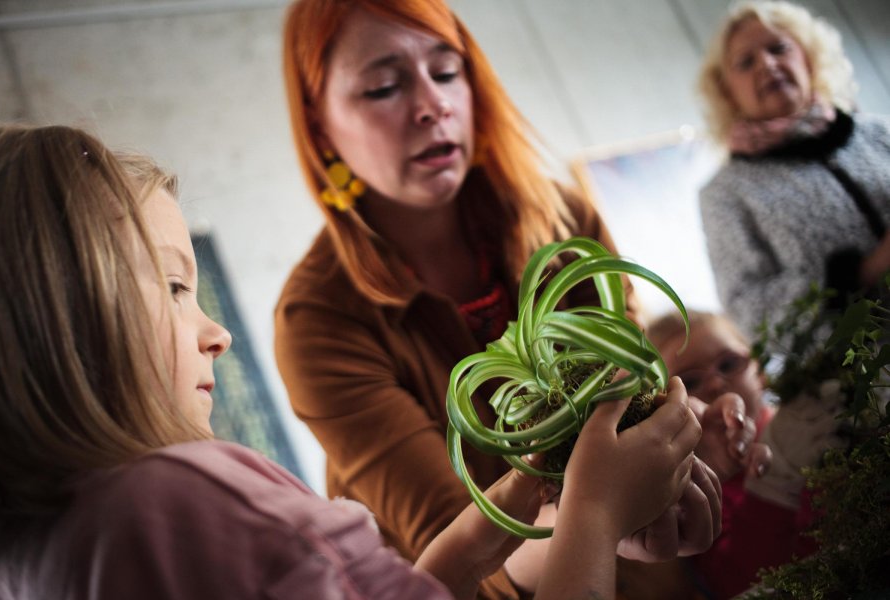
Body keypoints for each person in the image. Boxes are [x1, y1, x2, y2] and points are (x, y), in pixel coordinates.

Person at [0, 124, 719, 600]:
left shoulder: (42, 546)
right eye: (177, 286)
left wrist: (490, 534)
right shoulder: (176, 499)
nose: (218, 334)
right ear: (59, 318)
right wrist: (593, 515)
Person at [274, 1, 723, 597]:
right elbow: (457, 554)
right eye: (383, 86)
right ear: (319, 122)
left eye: (446, 71)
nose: (433, 106)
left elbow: (628, 393)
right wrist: (602, 509)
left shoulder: (561, 217)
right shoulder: (319, 320)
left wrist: (690, 442)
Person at [697, 0, 890, 345]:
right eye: (746, 62)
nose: (767, 64)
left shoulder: (879, 133)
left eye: (778, 48)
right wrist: (862, 272)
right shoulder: (726, 193)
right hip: (864, 380)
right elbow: (748, 314)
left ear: (809, 57)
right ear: (727, 91)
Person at [648, 309, 823, 600]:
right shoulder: (693, 488)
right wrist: (772, 489)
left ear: (761, 369)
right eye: (689, 383)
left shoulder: (817, 421)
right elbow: (736, 583)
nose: (716, 384)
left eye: (729, 364)